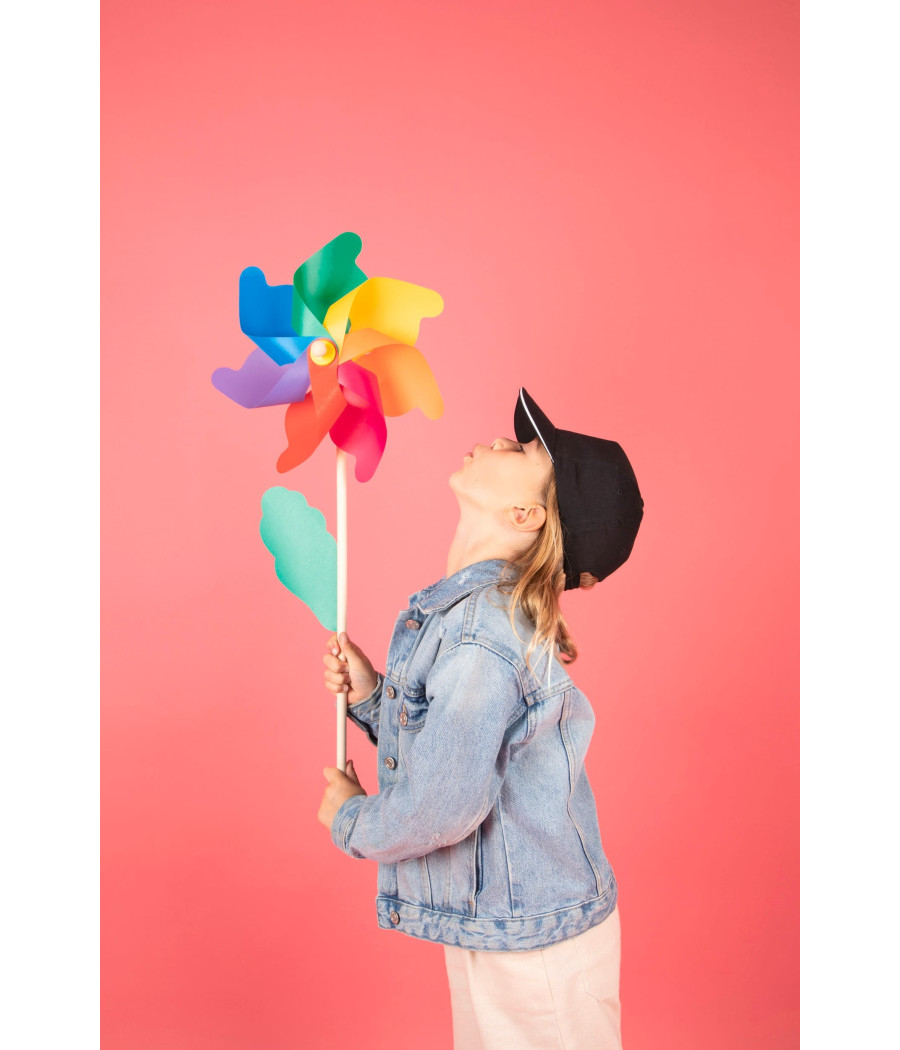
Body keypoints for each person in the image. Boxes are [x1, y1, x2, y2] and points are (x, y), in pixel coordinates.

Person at [317, 387, 644, 1050]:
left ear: (525, 513)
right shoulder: (473, 621)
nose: (502, 441)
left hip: (533, 946)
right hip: (513, 923)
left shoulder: (478, 636)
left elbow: (444, 803)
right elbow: (458, 749)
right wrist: (373, 695)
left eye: (524, 450)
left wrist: (352, 818)